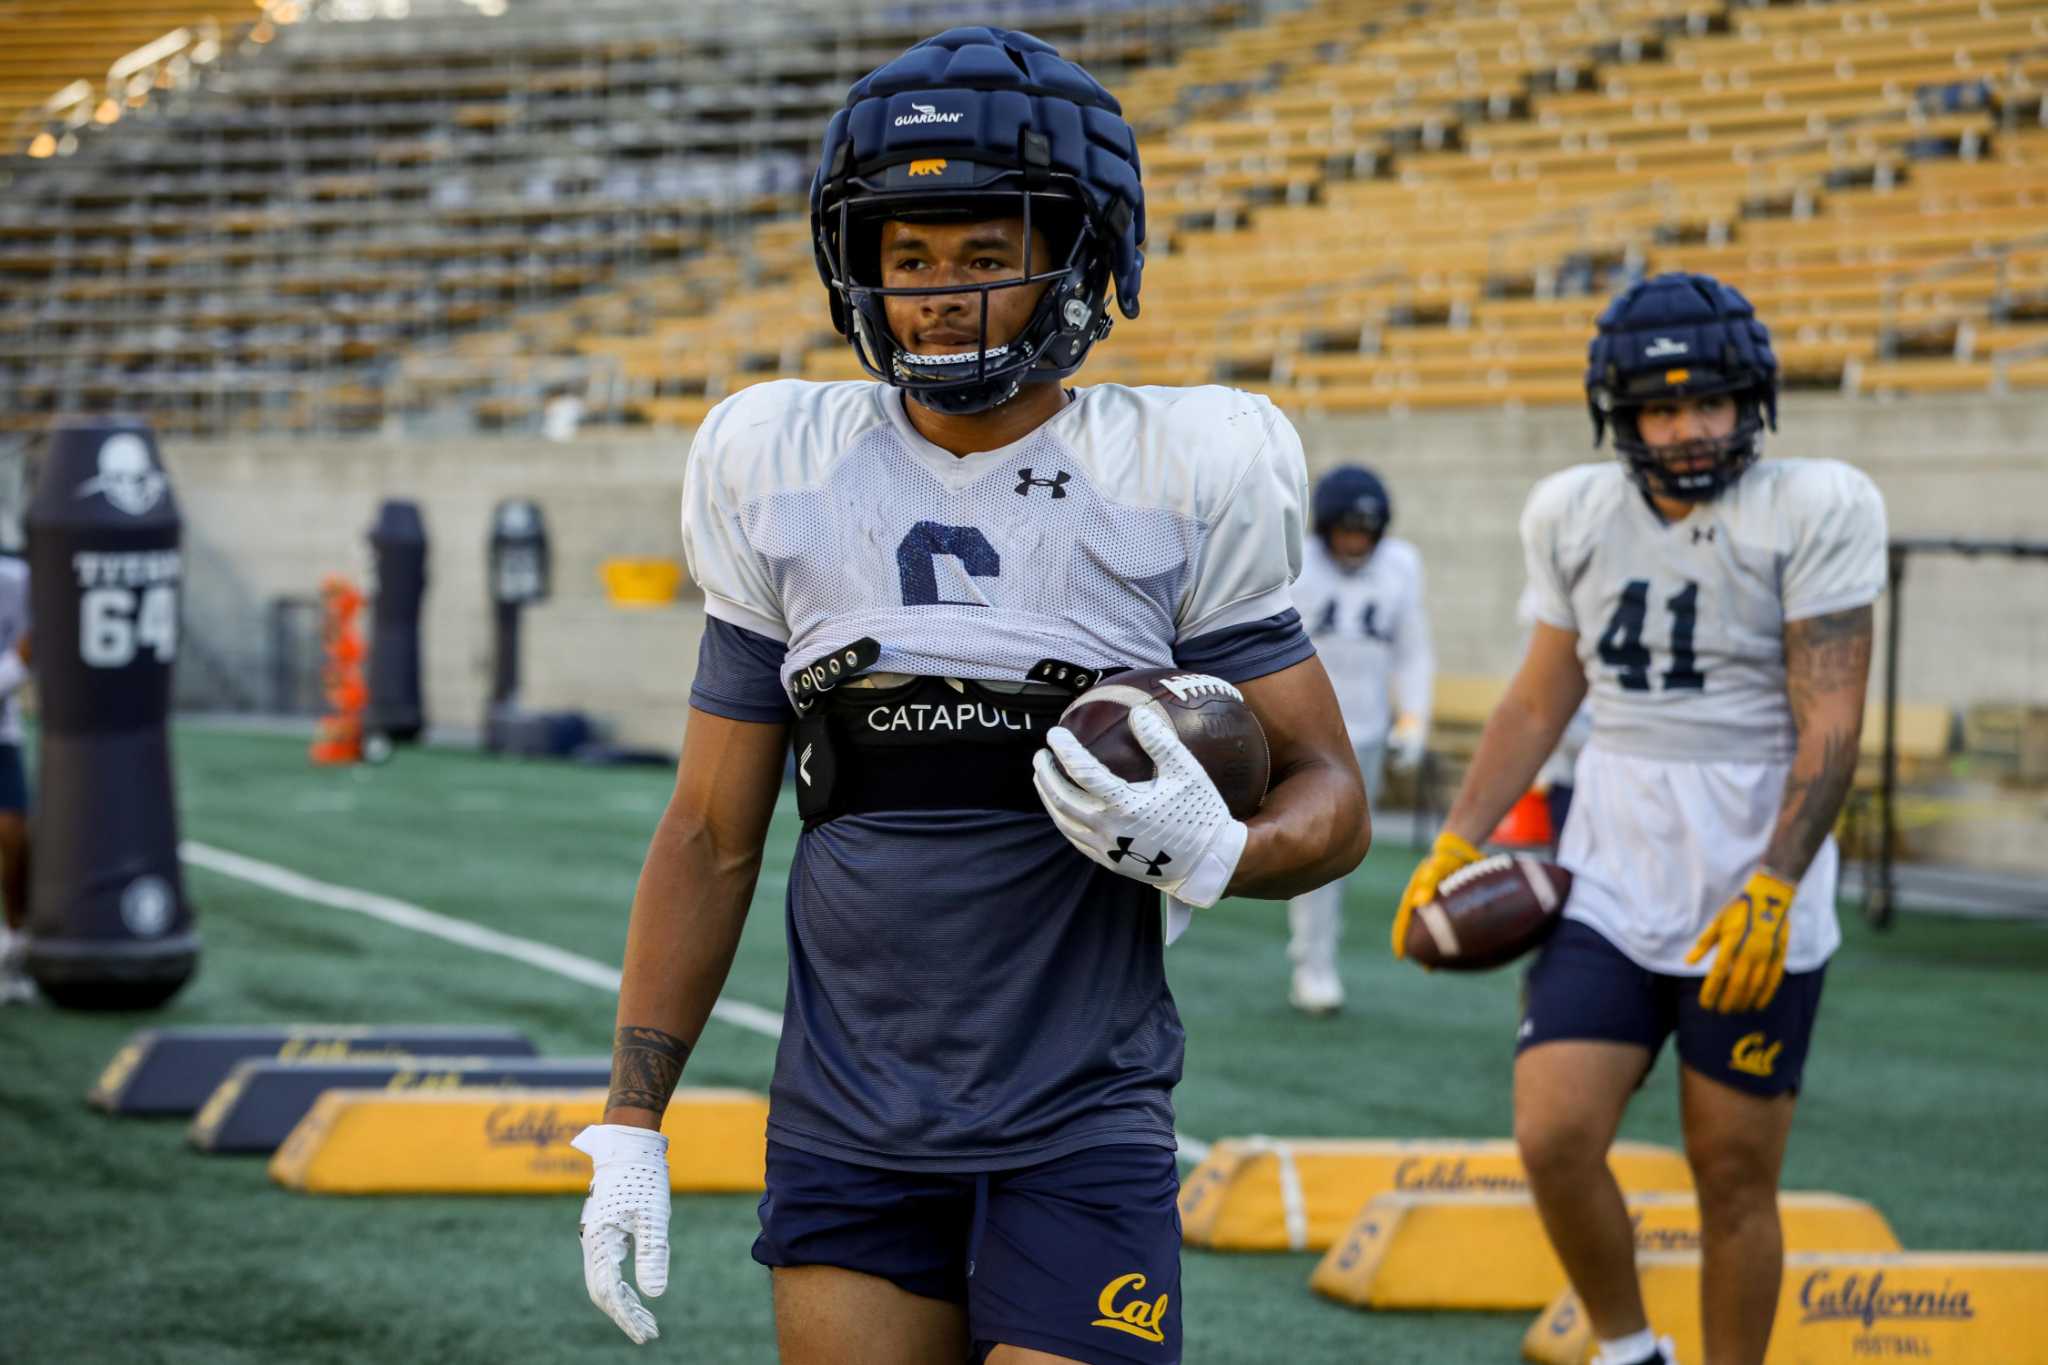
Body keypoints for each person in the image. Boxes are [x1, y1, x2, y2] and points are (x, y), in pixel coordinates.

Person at [569, 28, 1370, 1364]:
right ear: (857, 265)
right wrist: (631, 1120)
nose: (940, 294)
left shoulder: (1179, 469)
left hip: (1078, 1114)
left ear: (1083, 250)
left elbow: (1331, 794)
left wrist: (1231, 849)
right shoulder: (781, 465)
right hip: (845, 1117)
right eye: (910, 254)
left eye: (984, 255)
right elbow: (711, 831)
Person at [1392, 272, 1886, 1365]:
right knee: (1553, 1135)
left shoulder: (1815, 503)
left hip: (1752, 865)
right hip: (1607, 862)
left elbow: (1831, 719)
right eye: (1661, 408)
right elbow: (1536, 695)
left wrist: (1775, 881)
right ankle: (1626, 1351)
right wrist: (1457, 840)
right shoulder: (1573, 512)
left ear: (1749, 402)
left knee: (1730, 1175)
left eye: (1708, 403)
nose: (1688, 428)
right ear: (1620, 417)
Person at [1283, 465, 1432, 1014]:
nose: (1354, 542)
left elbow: (1413, 649)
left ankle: (1315, 962)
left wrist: (1413, 719)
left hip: (1362, 731)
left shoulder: (1401, 565)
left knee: (1333, 853)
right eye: (1344, 530)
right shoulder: (1294, 561)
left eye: (1363, 532)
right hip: (1293, 725)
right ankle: (1311, 961)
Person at [0, 553, 30, 1005]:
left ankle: (16, 945)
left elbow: (35, 643)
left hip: (1, 730)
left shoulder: (16, 579)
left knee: (16, 834)